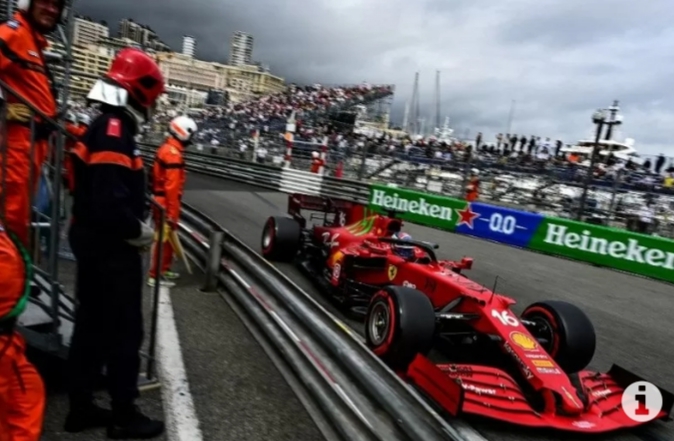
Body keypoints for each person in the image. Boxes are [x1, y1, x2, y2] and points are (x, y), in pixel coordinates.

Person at [64, 47, 166, 439]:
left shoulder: (104, 124)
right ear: (140, 91)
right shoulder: (114, 130)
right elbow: (110, 201)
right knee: (124, 331)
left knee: (90, 327)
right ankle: (124, 414)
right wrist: (137, 230)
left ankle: (80, 407)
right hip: (110, 248)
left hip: (94, 241)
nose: (153, 106)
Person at [0, 0, 63, 247]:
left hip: (30, 149)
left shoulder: (31, 40)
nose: (51, 10)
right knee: (10, 223)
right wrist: (3, 111)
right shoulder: (14, 33)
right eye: (45, 2)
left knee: (18, 222)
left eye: (56, 5)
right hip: (16, 148)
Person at [148, 115, 197, 287]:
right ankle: (155, 275)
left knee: (168, 238)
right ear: (183, 132)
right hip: (166, 201)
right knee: (163, 238)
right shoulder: (173, 154)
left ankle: (163, 269)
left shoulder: (167, 148)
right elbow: (172, 187)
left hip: (161, 198)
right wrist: (171, 212)